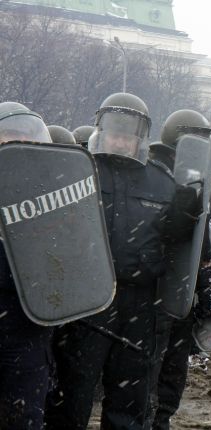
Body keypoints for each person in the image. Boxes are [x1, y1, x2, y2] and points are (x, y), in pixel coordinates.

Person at [45, 93, 195, 429]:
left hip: (140, 303)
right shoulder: (78, 170)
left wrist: (186, 215)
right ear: (102, 129)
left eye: (128, 134)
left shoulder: (161, 182)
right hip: (86, 301)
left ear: (140, 137)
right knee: (73, 389)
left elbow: (174, 243)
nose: (120, 139)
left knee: (131, 393)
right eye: (114, 131)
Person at [150, 109, 211, 430]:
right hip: (155, 286)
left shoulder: (196, 176)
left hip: (182, 289)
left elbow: (199, 241)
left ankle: (161, 418)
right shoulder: (154, 173)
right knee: (151, 366)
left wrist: (204, 285)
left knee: (174, 367)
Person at [0, 102, 54, 430]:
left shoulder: (54, 190)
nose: (15, 144)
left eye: (23, 138)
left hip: (29, 319)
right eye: (8, 137)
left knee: (24, 416)